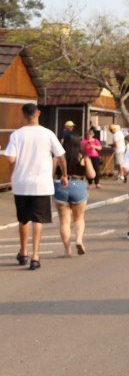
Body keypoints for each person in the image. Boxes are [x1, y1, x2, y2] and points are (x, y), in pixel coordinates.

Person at [4, 103, 68, 270]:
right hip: (42, 184)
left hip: (21, 183)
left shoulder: (17, 135)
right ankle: (35, 256)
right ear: (38, 113)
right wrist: (65, 175)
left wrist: (15, 169)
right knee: (38, 219)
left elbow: (10, 158)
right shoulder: (48, 134)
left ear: (23, 114)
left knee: (23, 219)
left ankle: (23, 252)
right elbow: (61, 156)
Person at [54, 135, 95, 256]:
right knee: (79, 218)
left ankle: (67, 250)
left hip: (61, 187)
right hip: (79, 186)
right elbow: (92, 175)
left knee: (64, 221)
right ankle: (78, 240)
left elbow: (50, 173)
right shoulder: (83, 156)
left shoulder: (58, 156)